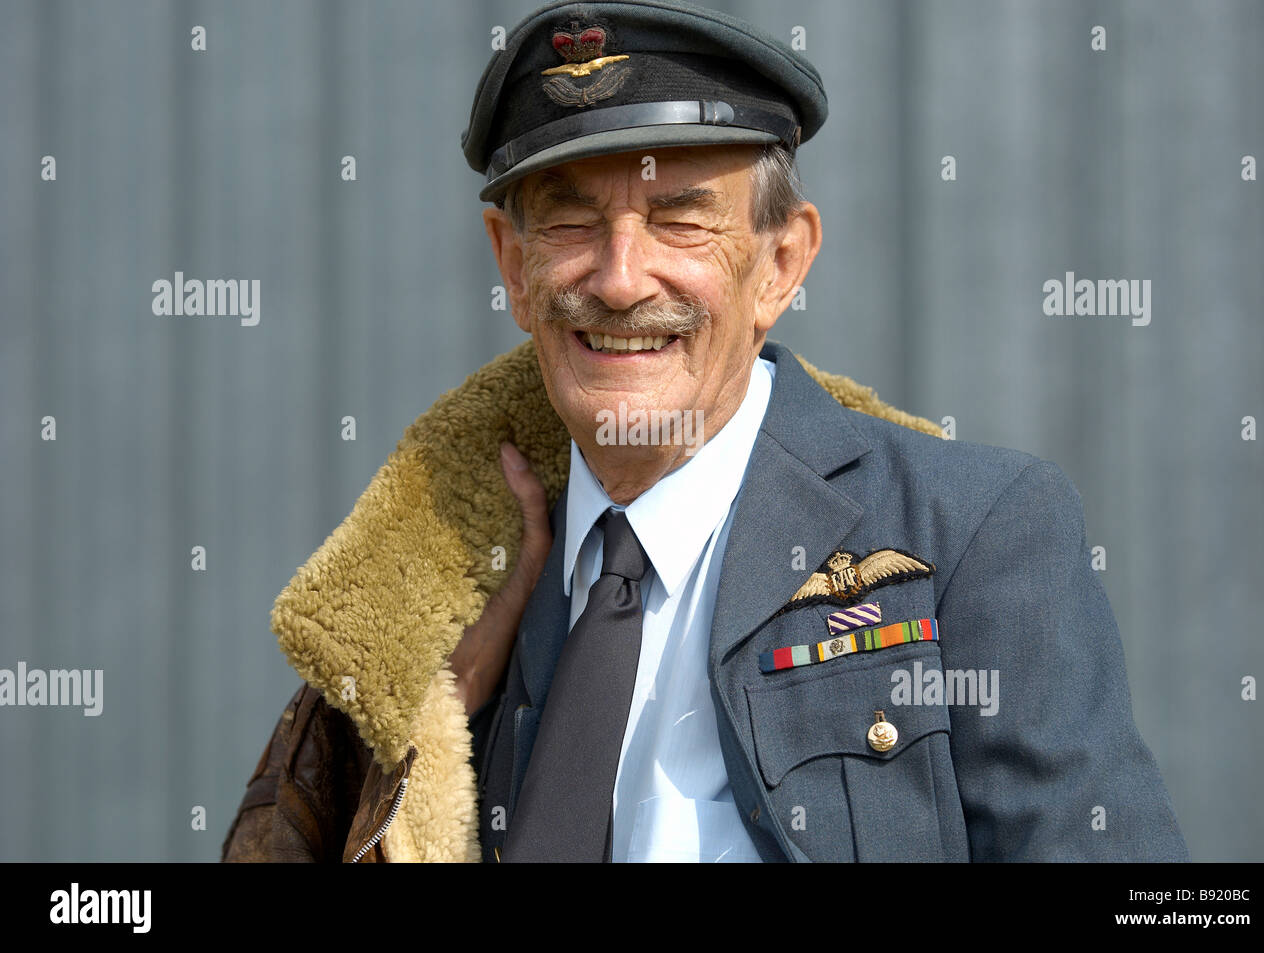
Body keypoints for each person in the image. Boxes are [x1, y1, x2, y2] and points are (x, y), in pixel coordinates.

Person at [222, 0, 1187, 863]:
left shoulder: (971, 536)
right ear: (511, 267)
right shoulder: (437, 601)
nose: (619, 277)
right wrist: (429, 720)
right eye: (570, 225)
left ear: (780, 263)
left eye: (681, 220)